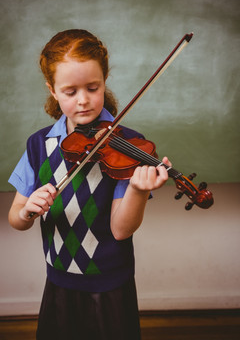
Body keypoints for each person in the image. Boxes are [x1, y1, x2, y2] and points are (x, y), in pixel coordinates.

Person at [8, 29, 171, 340]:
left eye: (92, 88)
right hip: (58, 278)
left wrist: (138, 189)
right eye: (70, 92)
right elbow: (15, 218)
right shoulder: (38, 145)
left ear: (104, 80)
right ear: (52, 90)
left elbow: (121, 229)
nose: (83, 100)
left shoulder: (128, 144)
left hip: (110, 283)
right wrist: (27, 210)